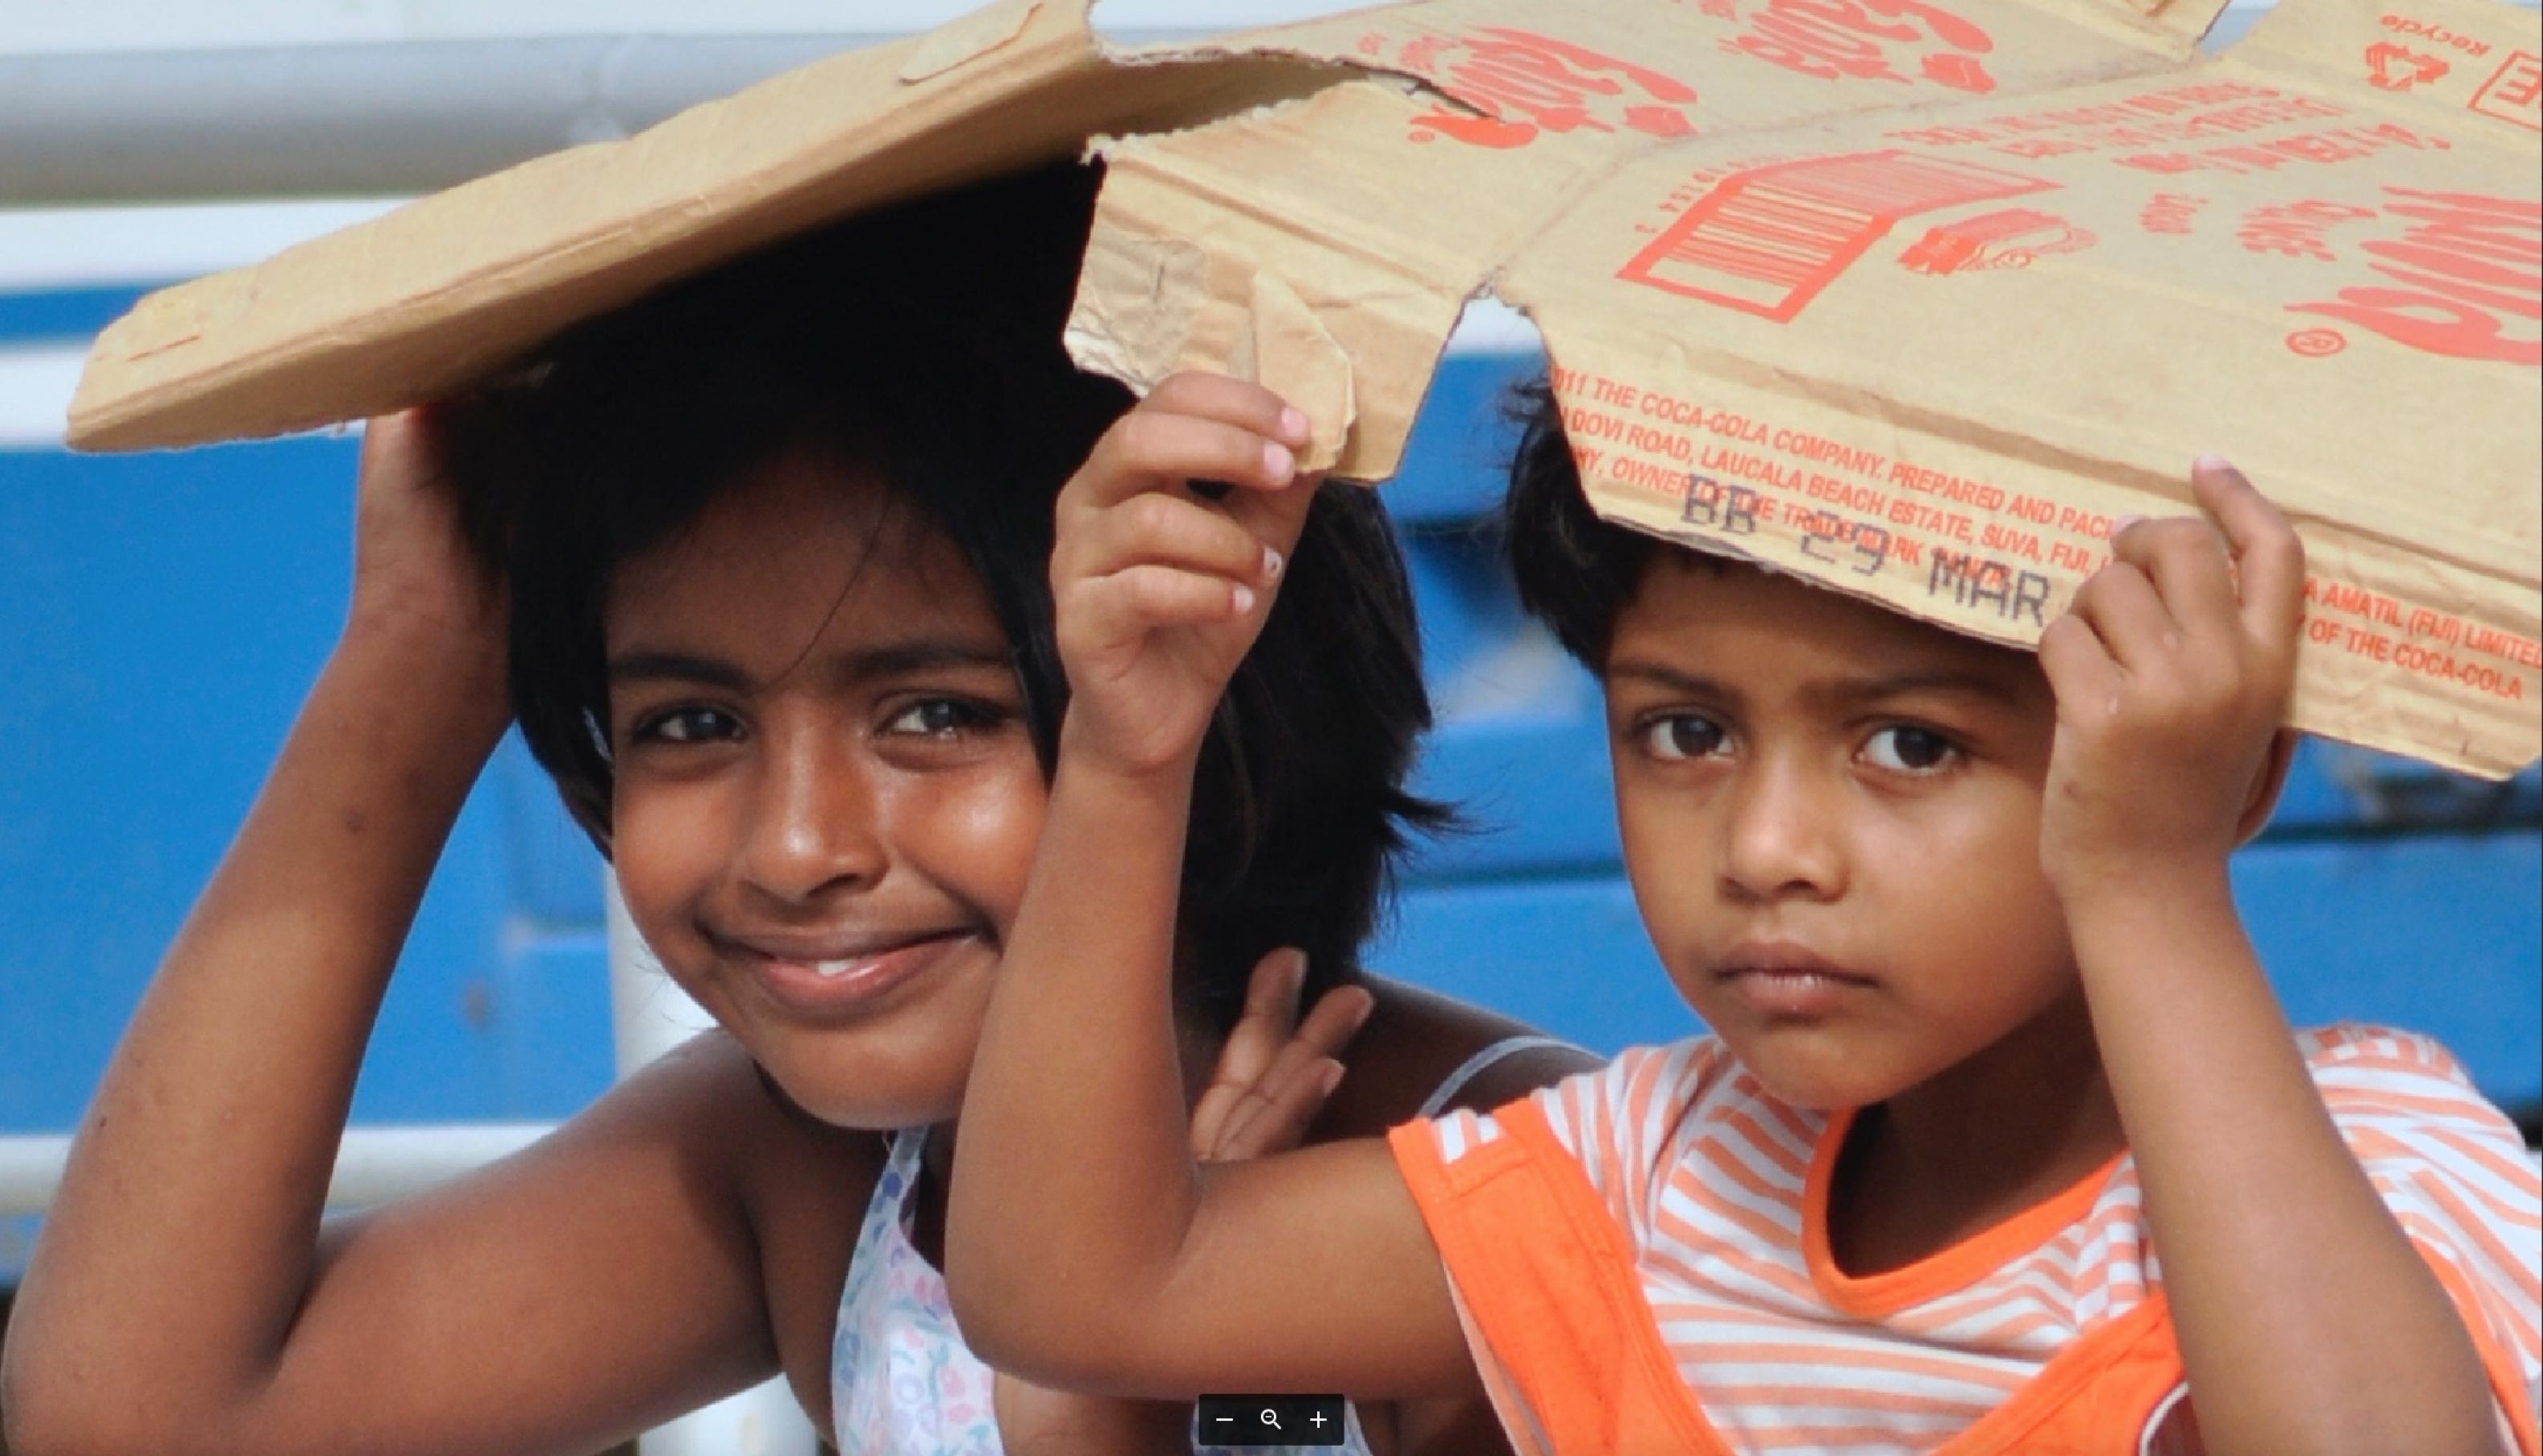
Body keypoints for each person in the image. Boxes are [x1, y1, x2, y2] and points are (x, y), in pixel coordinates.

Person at [0, 166, 1595, 1456]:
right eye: (690, 723)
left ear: (1214, 697)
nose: (797, 844)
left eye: (936, 715)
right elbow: (134, 1417)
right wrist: (410, 675)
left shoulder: (1499, 1187)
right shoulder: (818, 1166)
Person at [943, 375, 2543, 1454]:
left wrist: (2148, 880)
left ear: (2215, 767)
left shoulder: (2376, 1155)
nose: (1767, 846)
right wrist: (1127, 751)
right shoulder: (1651, 1179)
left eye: (1912, 744)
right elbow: (1078, 1294)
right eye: (1683, 732)